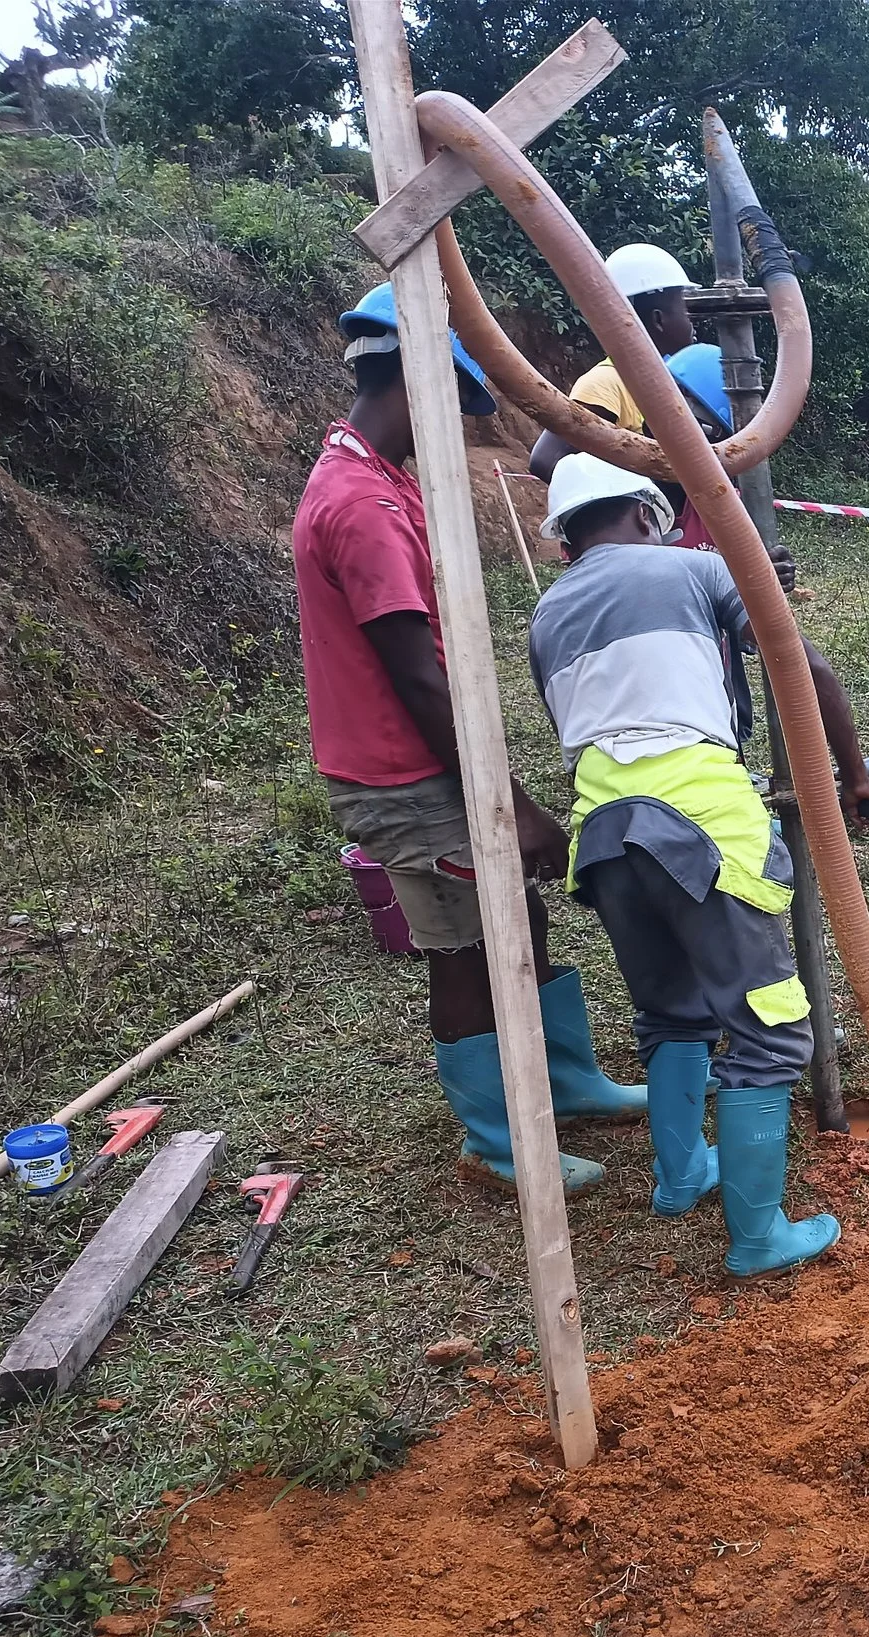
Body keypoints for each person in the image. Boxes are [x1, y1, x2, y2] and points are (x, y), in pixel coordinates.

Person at [295, 283, 644, 1195]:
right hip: (403, 771)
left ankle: (564, 1084)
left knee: (515, 917)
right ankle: (497, 1140)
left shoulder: (377, 478)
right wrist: (510, 804)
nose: (451, 429)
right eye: (449, 404)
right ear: (411, 381)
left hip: (420, 759)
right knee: (464, 945)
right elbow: (413, 671)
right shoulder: (361, 506)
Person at [526, 454, 869, 1273]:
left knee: (671, 1013)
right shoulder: (694, 566)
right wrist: (856, 774)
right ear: (649, 513)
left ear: (564, 542)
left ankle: (682, 1173)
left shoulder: (546, 616)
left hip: (606, 834)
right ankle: (759, 1237)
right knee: (768, 1030)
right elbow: (800, 663)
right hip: (701, 822)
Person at [527, 243, 696, 485]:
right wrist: (624, 500)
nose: (693, 322)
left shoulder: (663, 382)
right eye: (686, 310)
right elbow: (545, 460)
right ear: (658, 319)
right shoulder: (607, 383)